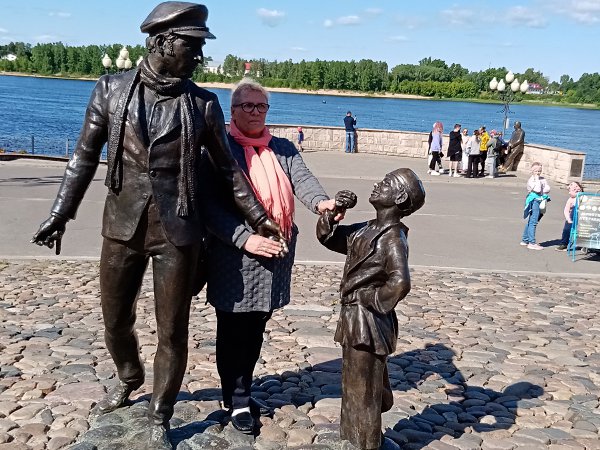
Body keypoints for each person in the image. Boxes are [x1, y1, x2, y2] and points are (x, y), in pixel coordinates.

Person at [30, 3, 282, 448]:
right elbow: (84, 156)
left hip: (178, 231)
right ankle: (129, 375)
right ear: (164, 42)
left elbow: (228, 171)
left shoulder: (202, 103)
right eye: (193, 45)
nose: (199, 56)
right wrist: (60, 213)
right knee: (115, 321)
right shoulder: (111, 89)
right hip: (122, 225)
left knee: (172, 330)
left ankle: (159, 412)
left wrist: (259, 218)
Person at [202, 79, 340, 435]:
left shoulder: (282, 148)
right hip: (234, 257)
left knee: (255, 329)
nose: (254, 112)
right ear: (233, 111)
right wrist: (246, 239)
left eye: (260, 106)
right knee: (233, 331)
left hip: (275, 255)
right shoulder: (220, 148)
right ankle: (236, 400)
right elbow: (210, 206)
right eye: (247, 105)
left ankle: (242, 391)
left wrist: (323, 204)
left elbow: (303, 181)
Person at [316, 169, 426, 450]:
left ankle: (366, 443)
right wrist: (333, 213)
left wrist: (370, 299)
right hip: (354, 318)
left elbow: (400, 282)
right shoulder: (366, 229)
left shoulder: (392, 238)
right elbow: (330, 238)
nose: (378, 184)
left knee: (363, 387)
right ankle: (350, 437)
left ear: (399, 197)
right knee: (352, 382)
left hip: (369, 321)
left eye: (387, 183)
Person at [521, 162, 551, 250]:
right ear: (532, 171)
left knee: (533, 220)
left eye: (539, 171)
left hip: (541, 200)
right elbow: (538, 189)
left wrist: (542, 184)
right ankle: (532, 243)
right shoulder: (531, 180)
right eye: (536, 171)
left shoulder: (543, 179)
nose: (538, 173)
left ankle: (525, 239)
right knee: (533, 221)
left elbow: (547, 189)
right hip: (534, 201)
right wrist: (537, 180)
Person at [556, 181, 583, 251]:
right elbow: (566, 210)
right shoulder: (571, 199)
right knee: (566, 229)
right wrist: (568, 219)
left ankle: (583, 243)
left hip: (583, 217)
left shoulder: (584, 197)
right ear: (570, 192)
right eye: (573, 188)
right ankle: (564, 243)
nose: (576, 189)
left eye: (577, 187)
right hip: (572, 217)